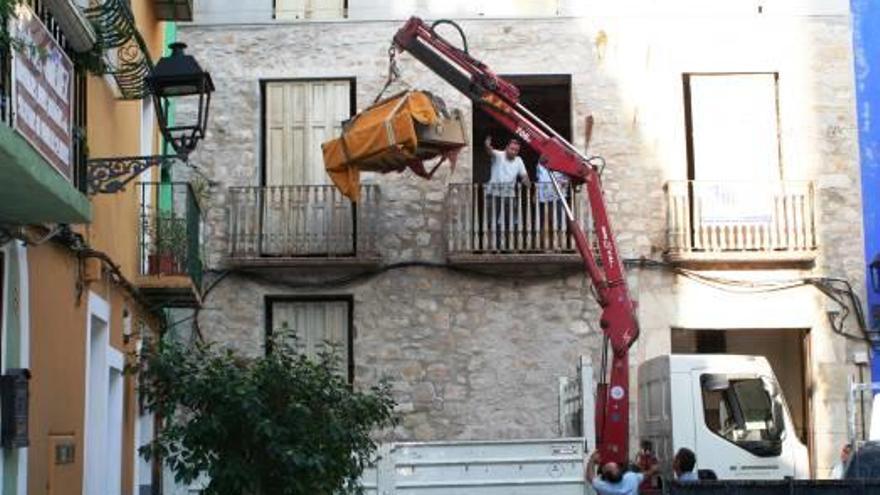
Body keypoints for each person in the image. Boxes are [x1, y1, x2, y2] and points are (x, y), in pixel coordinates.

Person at [484, 136, 529, 250]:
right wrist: (487, 145)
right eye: (512, 149)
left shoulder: (519, 160)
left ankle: (505, 246)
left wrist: (528, 184)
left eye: (516, 150)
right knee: (491, 221)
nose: (513, 152)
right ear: (507, 148)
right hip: (493, 194)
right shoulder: (499, 155)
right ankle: (491, 247)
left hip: (509, 195)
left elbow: (524, 176)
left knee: (509, 222)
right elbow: (489, 151)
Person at [586, 450, 659, 495]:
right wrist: (654, 466)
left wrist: (592, 459)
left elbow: (590, 477)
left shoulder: (604, 487)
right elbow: (650, 472)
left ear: (606, 478)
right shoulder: (631, 478)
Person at [535, 156, 569, 248]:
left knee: (558, 221)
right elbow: (539, 178)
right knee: (544, 221)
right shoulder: (540, 163)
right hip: (544, 196)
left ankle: (558, 245)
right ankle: (544, 245)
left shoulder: (563, 164)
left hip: (559, 196)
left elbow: (566, 180)